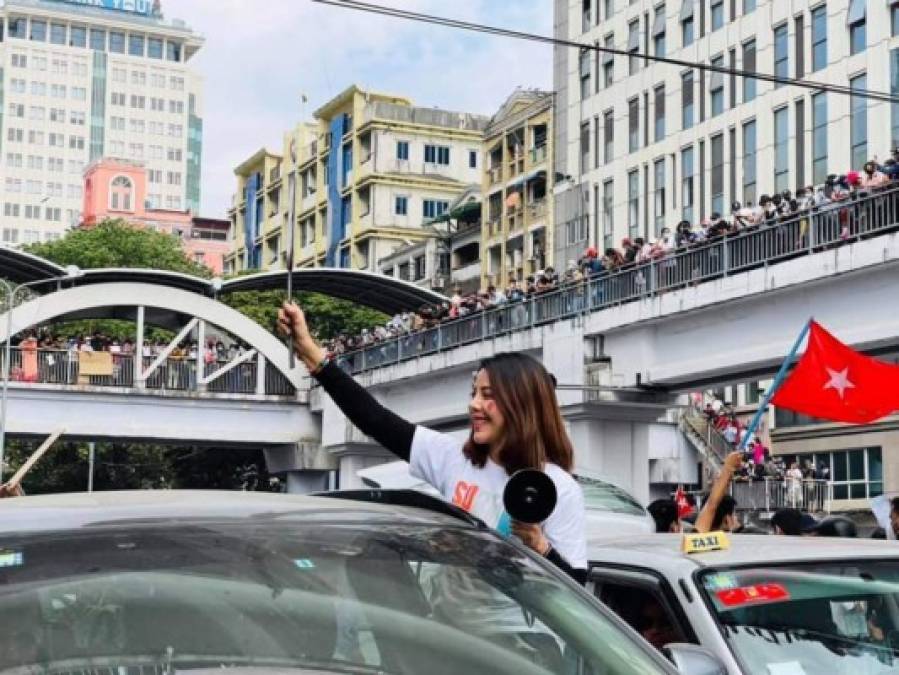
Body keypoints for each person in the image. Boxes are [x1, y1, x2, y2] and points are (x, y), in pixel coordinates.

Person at [278, 301, 587, 583]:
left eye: (488, 396)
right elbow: (374, 419)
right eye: (474, 394)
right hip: (444, 634)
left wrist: (539, 547)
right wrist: (311, 351)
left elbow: (577, 591)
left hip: (516, 642)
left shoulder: (559, 490)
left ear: (521, 405)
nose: (474, 405)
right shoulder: (453, 459)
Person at [694, 451, 742, 533]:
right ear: (727, 518)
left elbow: (711, 506)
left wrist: (728, 467)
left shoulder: (697, 537)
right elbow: (712, 506)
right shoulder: (738, 540)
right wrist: (728, 468)